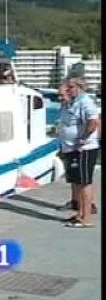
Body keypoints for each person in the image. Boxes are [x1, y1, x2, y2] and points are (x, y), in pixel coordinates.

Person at [57, 77, 100, 228]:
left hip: (83, 148)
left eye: (70, 87)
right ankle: (80, 213)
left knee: (84, 182)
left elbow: (93, 121)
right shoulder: (74, 102)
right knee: (77, 181)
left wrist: (83, 139)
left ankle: (86, 217)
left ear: (79, 87)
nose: (68, 90)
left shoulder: (85, 102)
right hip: (71, 148)